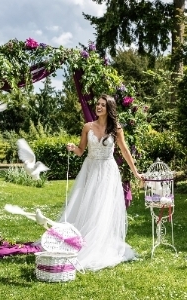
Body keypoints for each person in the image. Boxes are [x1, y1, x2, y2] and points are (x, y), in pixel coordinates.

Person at [60, 94, 143, 271]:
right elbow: (81, 150)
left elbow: (125, 151)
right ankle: (82, 240)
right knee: (87, 205)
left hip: (107, 172)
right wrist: (72, 148)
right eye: (97, 104)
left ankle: (100, 243)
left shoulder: (116, 129)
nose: (98, 107)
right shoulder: (87, 127)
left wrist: (135, 172)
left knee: (102, 207)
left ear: (109, 108)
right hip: (90, 169)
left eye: (102, 105)